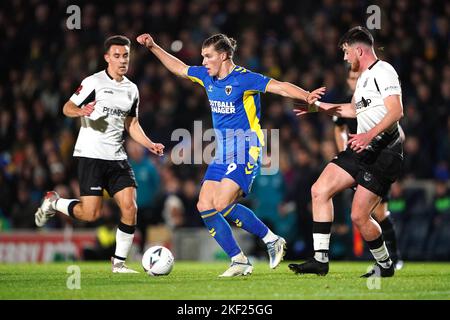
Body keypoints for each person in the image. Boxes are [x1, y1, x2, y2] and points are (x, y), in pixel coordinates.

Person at [136, 32, 325, 277]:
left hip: (246, 146)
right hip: (223, 151)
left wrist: (306, 95)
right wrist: (153, 47)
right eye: (203, 57)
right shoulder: (206, 76)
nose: (203, 62)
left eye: (208, 56)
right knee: (204, 204)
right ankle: (239, 260)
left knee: (223, 203)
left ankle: (271, 239)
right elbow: (180, 69)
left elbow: (279, 87)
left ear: (224, 55)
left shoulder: (244, 79)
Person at [35, 35, 165, 273]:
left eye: (125, 55)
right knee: (90, 213)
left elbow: (132, 124)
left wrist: (149, 144)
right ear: (107, 58)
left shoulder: (131, 89)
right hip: (91, 155)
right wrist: (80, 111)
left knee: (130, 207)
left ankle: (119, 263)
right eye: (117, 56)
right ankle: (54, 202)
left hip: (117, 157)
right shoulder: (93, 82)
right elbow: (67, 107)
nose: (122, 60)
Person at [289, 26, 404, 278]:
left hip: (383, 152)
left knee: (359, 217)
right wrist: (317, 108)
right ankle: (320, 260)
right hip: (360, 148)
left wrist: (368, 134)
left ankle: (385, 265)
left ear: (358, 50)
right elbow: (352, 110)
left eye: (345, 52)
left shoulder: (383, 72)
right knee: (319, 190)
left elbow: (396, 111)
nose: (344, 57)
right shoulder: (362, 78)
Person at [333, 69, 403, 269]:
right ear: (347, 80)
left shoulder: (376, 98)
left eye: (357, 77)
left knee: (379, 213)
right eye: (352, 77)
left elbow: (397, 128)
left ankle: (394, 257)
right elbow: (338, 128)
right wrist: (344, 153)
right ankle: (379, 258)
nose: (354, 80)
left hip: (379, 159)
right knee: (362, 213)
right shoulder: (348, 103)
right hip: (358, 160)